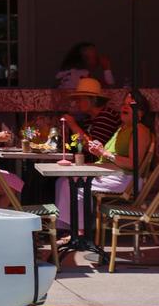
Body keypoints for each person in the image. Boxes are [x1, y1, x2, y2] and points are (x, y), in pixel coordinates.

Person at [56, 90, 153, 232]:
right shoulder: (122, 129)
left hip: (127, 179)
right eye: (124, 104)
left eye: (131, 105)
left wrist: (104, 153)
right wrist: (99, 151)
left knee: (72, 184)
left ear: (140, 113)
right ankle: (67, 229)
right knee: (62, 181)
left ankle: (81, 232)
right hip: (113, 175)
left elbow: (133, 164)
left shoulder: (139, 130)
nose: (125, 107)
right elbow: (107, 155)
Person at [61, 78, 120, 147]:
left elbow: (94, 149)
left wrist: (73, 125)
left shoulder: (106, 115)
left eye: (80, 99)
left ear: (92, 100)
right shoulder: (89, 118)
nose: (76, 103)